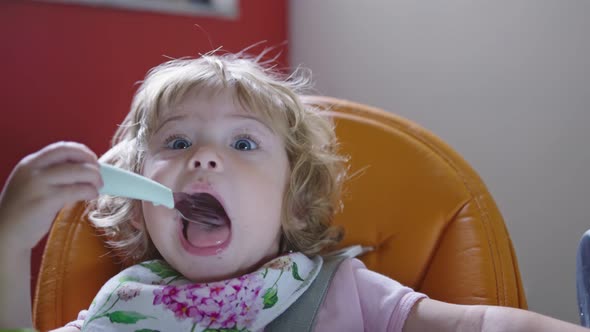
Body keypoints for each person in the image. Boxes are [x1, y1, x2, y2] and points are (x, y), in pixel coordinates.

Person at [0, 51, 587, 332]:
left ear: (294, 202)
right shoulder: (124, 307)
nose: (204, 157)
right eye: (176, 144)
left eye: (245, 145)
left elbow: (476, 327)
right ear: (137, 204)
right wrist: (9, 239)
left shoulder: (343, 291)